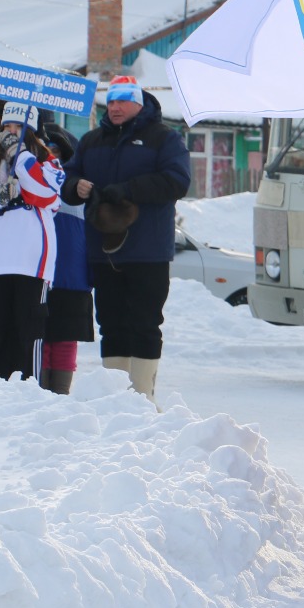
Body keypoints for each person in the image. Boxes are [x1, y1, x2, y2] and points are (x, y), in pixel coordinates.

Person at [59, 76, 191, 402]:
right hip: (105, 250)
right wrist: (75, 187)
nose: (115, 107)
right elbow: (68, 177)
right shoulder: (92, 141)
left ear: (139, 103)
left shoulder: (164, 138)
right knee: (111, 324)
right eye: (111, 101)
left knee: (145, 324)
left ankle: (143, 399)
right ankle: (115, 399)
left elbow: (177, 181)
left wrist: (131, 189)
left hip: (148, 251)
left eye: (122, 101)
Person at [0, 103, 65, 382]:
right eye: (7, 127)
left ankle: (27, 390)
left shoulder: (49, 164)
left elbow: (44, 192)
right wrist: (0, 196)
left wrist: (18, 156)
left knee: (27, 329)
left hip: (30, 260)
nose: (10, 133)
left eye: (18, 128)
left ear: (31, 132)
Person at [40, 121, 94, 395]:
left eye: (56, 150)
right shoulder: (29, 177)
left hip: (72, 274)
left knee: (64, 339)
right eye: (44, 148)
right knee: (39, 336)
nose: (51, 155)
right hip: (38, 272)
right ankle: (40, 392)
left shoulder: (78, 185)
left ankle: (60, 395)